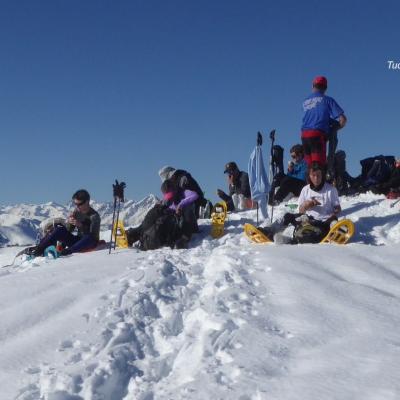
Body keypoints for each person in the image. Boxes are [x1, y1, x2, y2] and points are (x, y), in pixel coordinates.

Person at [261, 162, 341, 244]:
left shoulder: (331, 190)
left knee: (324, 227)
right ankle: (268, 231)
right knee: (287, 216)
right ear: (309, 176)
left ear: (322, 175)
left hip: (323, 222)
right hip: (308, 219)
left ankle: (290, 241)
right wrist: (306, 205)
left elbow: (337, 208)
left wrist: (335, 212)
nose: (316, 178)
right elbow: (300, 210)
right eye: (313, 175)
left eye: (318, 175)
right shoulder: (305, 190)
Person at [127, 179, 199, 250]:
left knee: (188, 207)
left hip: (185, 223)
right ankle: (134, 235)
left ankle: (184, 239)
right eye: (168, 196)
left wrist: (181, 205)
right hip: (173, 221)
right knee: (155, 211)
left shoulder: (183, 192)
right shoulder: (168, 199)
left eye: (171, 195)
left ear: (175, 190)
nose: (170, 198)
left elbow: (194, 195)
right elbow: (164, 205)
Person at [32, 189, 101, 256]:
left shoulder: (94, 216)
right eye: (75, 204)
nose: (77, 206)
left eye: (79, 204)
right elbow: (69, 230)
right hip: (78, 241)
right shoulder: (77, 212)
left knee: (88, 238)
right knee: (59, 229)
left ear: (87, 202)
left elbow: (93, 236)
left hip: (89, 243)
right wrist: (70, 223)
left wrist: (81, 225)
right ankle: (39, 248)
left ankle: (67, 251)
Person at [301, 76, 347, 167]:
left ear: (313, 86)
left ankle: (308, 181)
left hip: (304, 136)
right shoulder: (328, 100)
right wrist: (333, 130)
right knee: (319, 167)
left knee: (309, 167)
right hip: (317, 135)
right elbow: (343, 120)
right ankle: (329, 171)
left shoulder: (305, 101)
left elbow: (313, 117)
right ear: (325, 88)